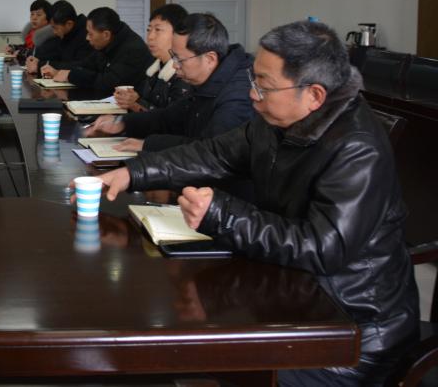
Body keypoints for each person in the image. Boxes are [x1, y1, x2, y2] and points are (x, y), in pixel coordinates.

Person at [97, 21, 419, 385]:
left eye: (264, 85)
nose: (252, 94)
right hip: (289, 292)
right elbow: (213, 153)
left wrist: (220, 213)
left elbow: (321, 247)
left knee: (200, 355)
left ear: (314, 95)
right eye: (254, 79)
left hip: (349, 329)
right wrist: (133, 173)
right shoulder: (277, 118)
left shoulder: (357, 149)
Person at [86, 13, 253, 152]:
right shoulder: (207, 77)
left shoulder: (237, 96)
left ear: (209, 59)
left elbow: (211, 150)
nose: (174, 65)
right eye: (173, 57)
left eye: (179, 59)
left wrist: (147, 144)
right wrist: (123, 123)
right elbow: (169, 117)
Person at [39, 7, 153, 97]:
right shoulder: (108, 42)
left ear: (106, 35)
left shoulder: (133, 49)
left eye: (90, 34)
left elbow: (108, 82)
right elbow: (85, 64)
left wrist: (71, 75)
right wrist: (58, 71)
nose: (87, 38)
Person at [114, 3, 193, 112]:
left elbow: (172, 118)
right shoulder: (154, 68)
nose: (150, 37)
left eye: (158, 30)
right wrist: (133, 99)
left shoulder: (183, 73)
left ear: (178, 34)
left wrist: (136, 104)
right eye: (149, 30)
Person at [25, 1, 91, 74]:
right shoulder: (65, 33)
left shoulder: (85, 36)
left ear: (69, 24)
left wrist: (41, 65)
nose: (54, 32)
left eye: (55, 28)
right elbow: (56, 56)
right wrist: (37, 62)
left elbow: (79, 66)